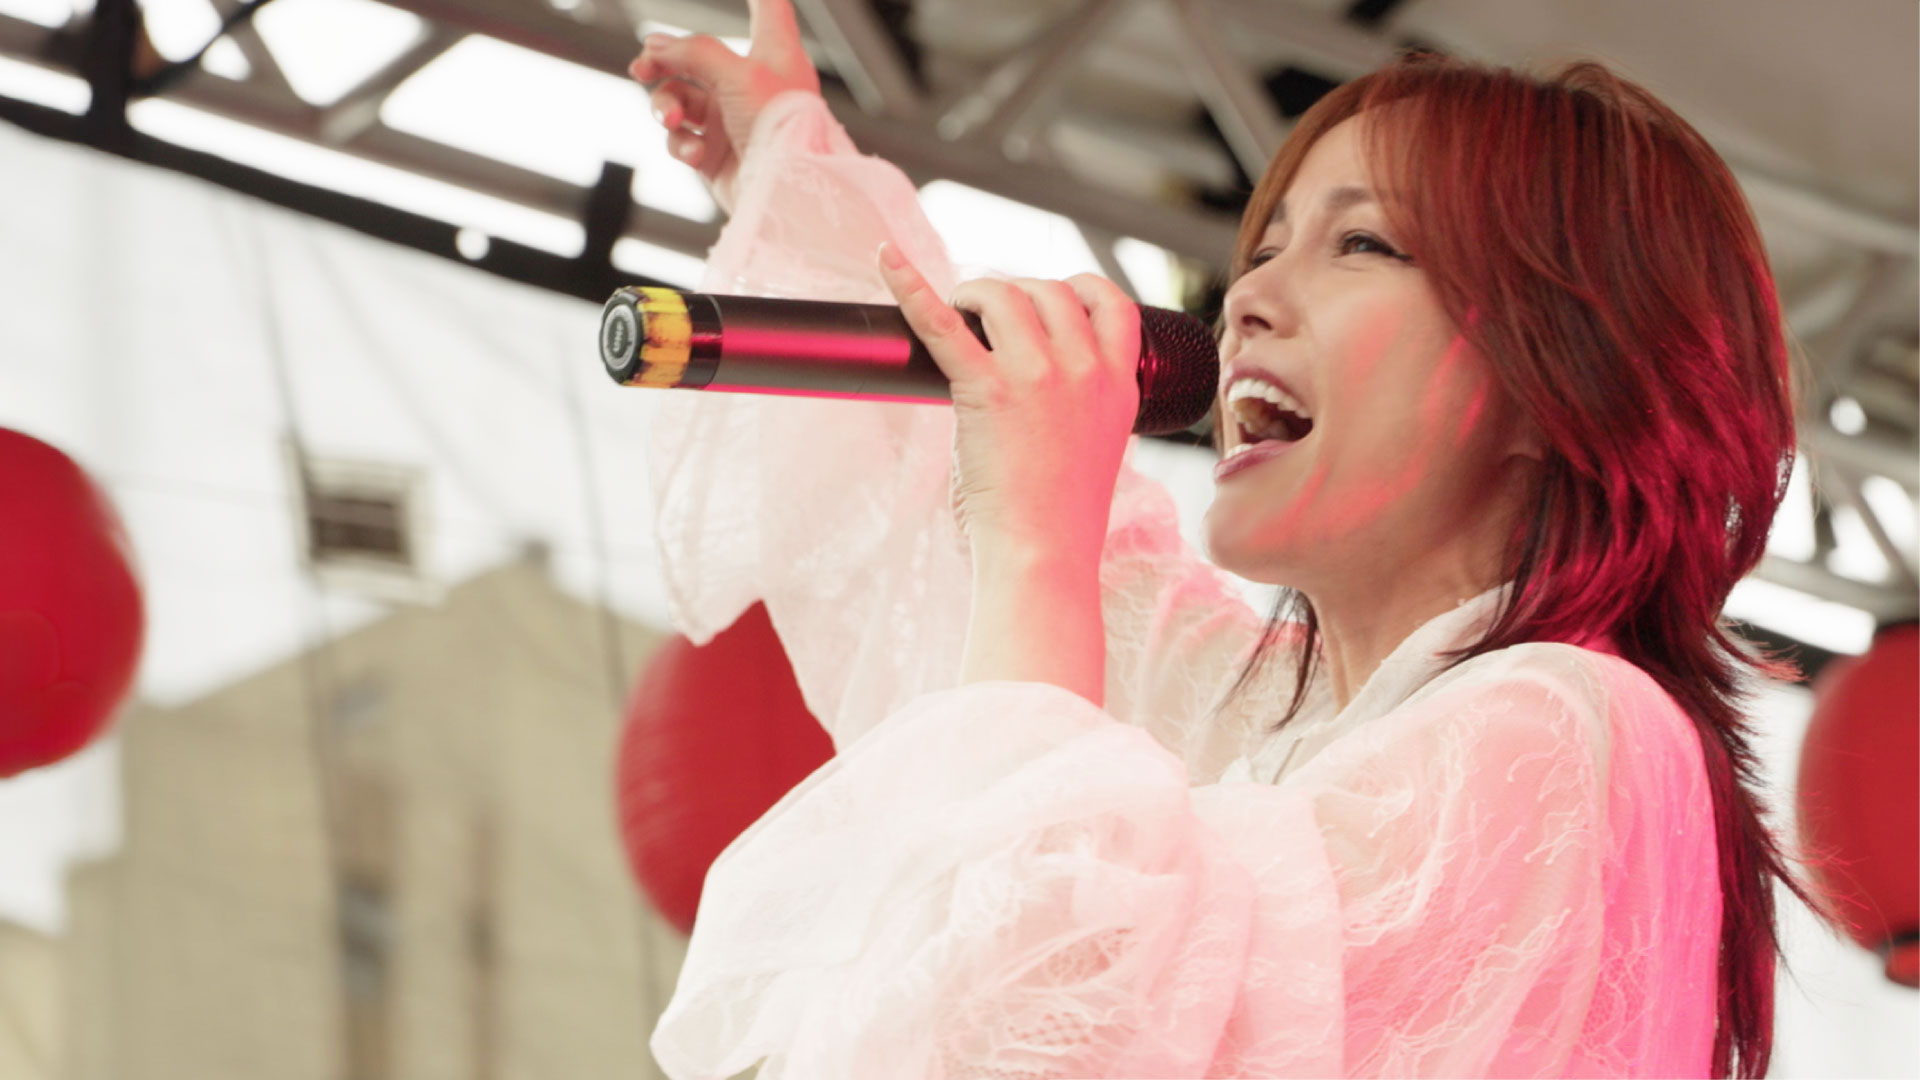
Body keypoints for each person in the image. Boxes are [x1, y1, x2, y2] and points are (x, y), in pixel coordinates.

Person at [627, 2, 1805, 1076]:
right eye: (1265, 248)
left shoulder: (1565, 725)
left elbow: (1039, 1015)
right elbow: (990, 543)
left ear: (1565, 383)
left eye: (1363, 245)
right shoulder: (1290, 729)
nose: (1245, 299)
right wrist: (788, 160)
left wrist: (1035, 542)